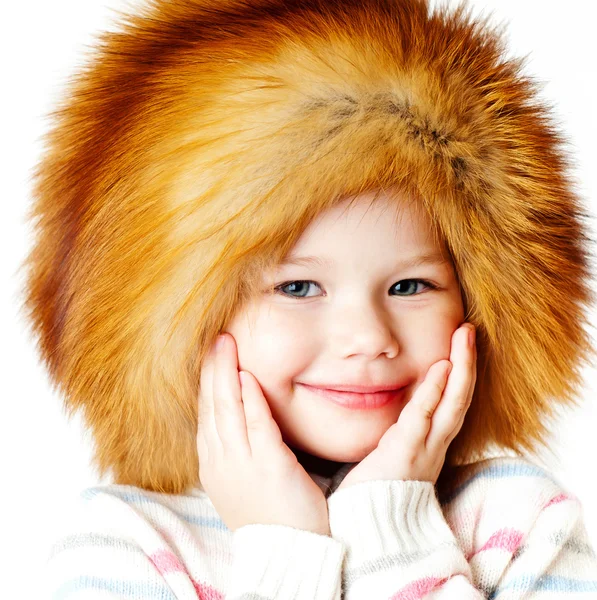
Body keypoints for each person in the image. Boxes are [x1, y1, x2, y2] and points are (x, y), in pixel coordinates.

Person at [21, 0, 597, 597]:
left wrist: (390, 527)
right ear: (180, 321)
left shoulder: (527, 523)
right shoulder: (126, 541)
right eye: (297, 287)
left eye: (410, 286)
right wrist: (283, 552)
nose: (369, 337)